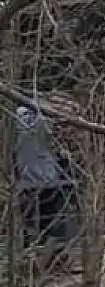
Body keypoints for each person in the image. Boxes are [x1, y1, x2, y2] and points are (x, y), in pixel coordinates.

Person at [13, 105, 75, 246]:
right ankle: (51, 242)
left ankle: (32, 243)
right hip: (47, 177)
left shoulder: (14, 121)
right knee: (50, 215)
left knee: (29, 217)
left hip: (26, 176)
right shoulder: (44, 119)